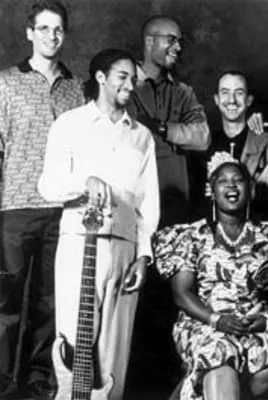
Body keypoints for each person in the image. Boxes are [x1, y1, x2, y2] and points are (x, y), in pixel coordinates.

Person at [38, 48, 159, 400]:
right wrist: (84, 181)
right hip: (79, 243)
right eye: (122, 77)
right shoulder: (69, 124)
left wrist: (143, 256)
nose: (130, 85)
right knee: (74, 345)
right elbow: (48, 185)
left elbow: (148, 204)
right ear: (101, 77)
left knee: (113, 355)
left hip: (124, 248)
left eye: (133, 79)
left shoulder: (142, 136)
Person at [153, 152, 268, 400]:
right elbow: (181, 293)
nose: (231, 186)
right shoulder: (192, 236)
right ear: (211, 191)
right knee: (220, 360)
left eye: (238, 180)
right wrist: (216, 320)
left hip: (256, 322)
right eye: (223, 181)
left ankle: (198, 390)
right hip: (205, 321)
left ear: (250, 189)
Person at [0, 1, 84, 398]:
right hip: (14, 207)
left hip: (63, 212)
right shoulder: (6, 83)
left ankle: (38, 382)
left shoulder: (76, 87)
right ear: (29, 33)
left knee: (50, 302)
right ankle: (3, 383)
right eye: (44, 28)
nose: (52, 36)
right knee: (6, 303)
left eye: (58, 29)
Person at [127, 15, 210, 228]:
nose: (178, 48)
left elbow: (202, 137)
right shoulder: (124, 86)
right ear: (149, 41)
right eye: (171, 40)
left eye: (179, 42)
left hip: (175, 205)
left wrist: (161, 128)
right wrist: (180, 134)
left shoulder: (183, 92)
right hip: (133, 200)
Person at [208, 69, 268, 180]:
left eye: (239, 93)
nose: (232, 100)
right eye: (225, 92)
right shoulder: (204, 145)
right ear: (216, 99)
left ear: (249, 100)